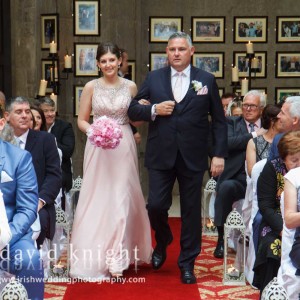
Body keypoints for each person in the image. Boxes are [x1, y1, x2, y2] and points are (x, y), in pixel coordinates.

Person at [128, 31, 228, 284]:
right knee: (157, 206)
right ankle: (162, 240)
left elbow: (218, 121)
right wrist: (153, 109)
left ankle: (187, 263)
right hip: (161, 153)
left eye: (181, 49)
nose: (176, 53)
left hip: (193, 156)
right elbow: (132, 108)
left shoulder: (206, 79)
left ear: (191, 51)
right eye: (172, 49)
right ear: (167, 52)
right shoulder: (154, 78)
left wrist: (218, 154)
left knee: (191, 212)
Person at [70, 42, 152, 280]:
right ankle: (94, 253)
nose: (108, 65)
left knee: (121, 196)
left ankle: (118, 256)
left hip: (123, 145)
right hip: (97, 147)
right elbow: (82, 120)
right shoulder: (90, 87)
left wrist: (144, 113)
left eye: (112, 60)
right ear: (97, 64)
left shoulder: (131, 86)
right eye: (103, 61)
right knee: (98, 197)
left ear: (120, 61)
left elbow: (135, 120)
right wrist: (95, 131)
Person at [213, 90, 266, 259]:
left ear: (262, 109)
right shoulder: (231, 122)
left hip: (262, 178)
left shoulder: (268, 125)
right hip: (237, 177)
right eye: (245, 105)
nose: (248, 109)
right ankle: (221, 238)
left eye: (252, 106)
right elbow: (228, 143)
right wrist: (254, 135)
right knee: (226, 188)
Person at [5, 97, 62, 249]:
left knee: (37, 222)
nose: (25, 115)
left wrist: (38, 202)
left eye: (27, 111)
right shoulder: (2, 142)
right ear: (6, 116)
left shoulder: (46, 140)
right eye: (18, 112)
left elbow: (54, 176)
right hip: (5, 205)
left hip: (38, 205)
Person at [0, 107, 44, 300]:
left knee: (30, 259)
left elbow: (27, 209)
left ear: (1, 123)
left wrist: (5, 237)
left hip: (11, 237)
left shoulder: (19, 159)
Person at [253, 130, 300, 295]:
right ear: (283, 158)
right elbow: (265, 205)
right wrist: (282, 228)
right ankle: (270, 294)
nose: (298, 164)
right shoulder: (272, 168)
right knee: (272, 247)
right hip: (276, 222)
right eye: (294, 160)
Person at [38, 97, 75, 211]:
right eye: (46, 111)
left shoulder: (65, 126)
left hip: (61, 171)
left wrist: (49, 140)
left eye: (52, 110)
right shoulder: (36, 127)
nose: (50, 114)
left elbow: (67, 151)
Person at [246, 104, 282, 177]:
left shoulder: (287, 139)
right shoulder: (253, 142)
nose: (284, 121)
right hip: (261, 183)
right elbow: (251, 172)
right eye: (281, 119)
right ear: (272, 121)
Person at [119, 48, 142, 145]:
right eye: (126, 61)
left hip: (126, 132)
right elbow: (124, 111)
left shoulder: (129, 85)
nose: (127, 64)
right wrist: (134, 131)